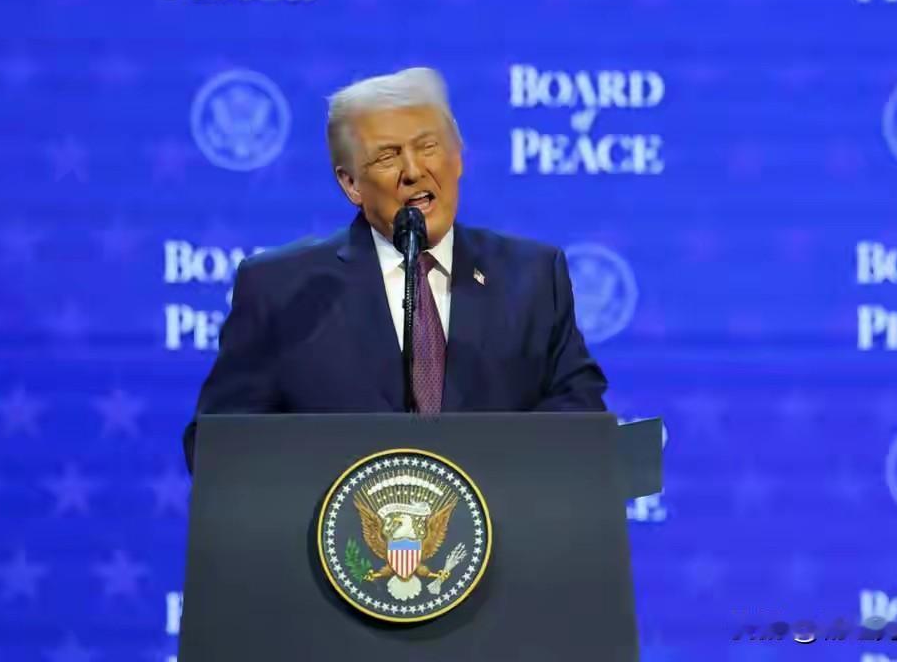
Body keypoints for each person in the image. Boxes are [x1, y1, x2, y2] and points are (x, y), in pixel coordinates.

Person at [184, 67, 606, 473]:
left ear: (458, 157)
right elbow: (218, 449)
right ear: (351, 184)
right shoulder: (283, 290)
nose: (413, 171)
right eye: (388, 156)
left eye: (428, 147)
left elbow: (581, 416)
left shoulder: (531, 277)